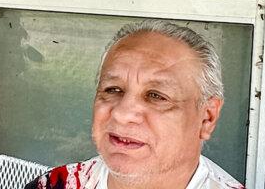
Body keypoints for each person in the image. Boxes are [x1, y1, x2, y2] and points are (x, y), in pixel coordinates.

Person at [25, 20, 243, 189]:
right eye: (113, 89)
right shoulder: (54, 185)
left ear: (207, 118)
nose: (122, 113)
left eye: (156, 96)